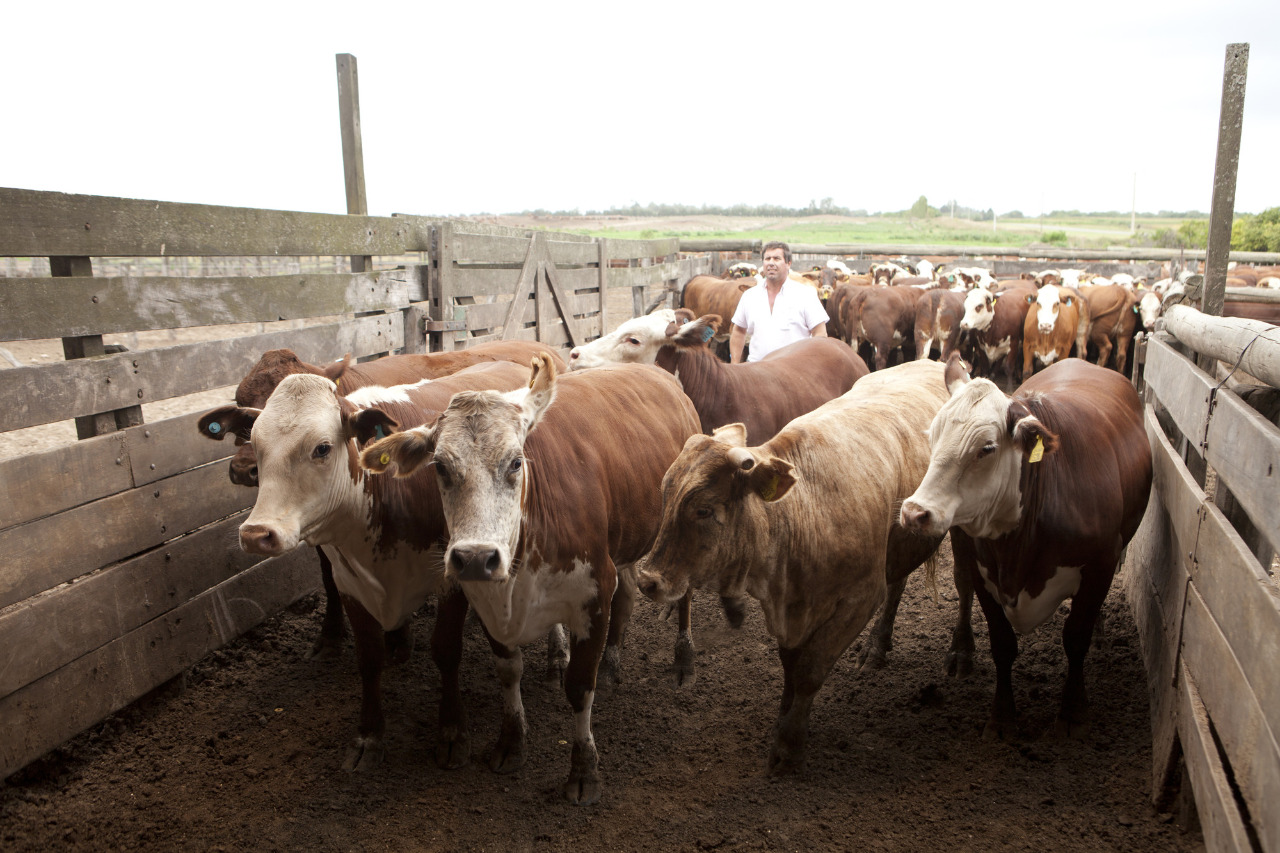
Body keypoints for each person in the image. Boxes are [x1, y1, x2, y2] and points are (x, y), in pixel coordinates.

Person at [729, 242, 828, 363]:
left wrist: (809, 365)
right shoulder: (749, 296)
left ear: (788, 263)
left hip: (793, 371)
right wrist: (734, 363)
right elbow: (738, 330)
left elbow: (820, 333)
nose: (771, 263)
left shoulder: (805, 295)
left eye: (776, 258)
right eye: (767, 258)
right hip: (756, 371)